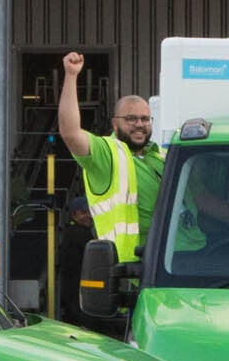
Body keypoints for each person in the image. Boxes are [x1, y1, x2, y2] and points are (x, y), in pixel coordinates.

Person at [53, 52, 159, 273]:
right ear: (115, 123)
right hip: (132, 271)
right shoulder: (108, 154)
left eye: (145, 119)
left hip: (174, 265)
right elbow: (70, 133)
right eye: (130, 119)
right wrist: (71, 76)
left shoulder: (161, 155)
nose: (139, 124)